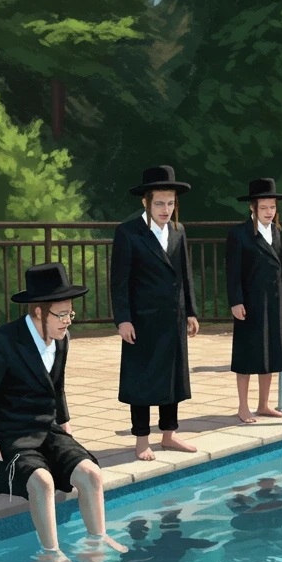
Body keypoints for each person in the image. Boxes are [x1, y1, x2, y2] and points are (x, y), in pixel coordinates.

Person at [0, 262, 127, 562]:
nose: (68, 321)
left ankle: (97, 538)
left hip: (48, 428)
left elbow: (58, 386)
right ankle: (51, 553)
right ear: (38, 312)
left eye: (71, 314)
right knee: (42, 481)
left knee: (91, 474)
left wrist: (64, 422)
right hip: (12, 435)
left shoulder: (61, 340)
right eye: (62, 314)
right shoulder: (0, 342)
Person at [110, 165, 199, 461]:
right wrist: (123, 318)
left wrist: (191, 312)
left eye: (171, 203)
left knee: (172, 377)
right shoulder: (128, 232)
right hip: (142, 319)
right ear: (145, 202)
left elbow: (185, 274)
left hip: (173, 317)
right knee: (142, 378)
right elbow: (119, 280)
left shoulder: (178, 230)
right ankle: (141, 439)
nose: (166, 209)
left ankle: (170, 434)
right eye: (159, 203)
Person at [226, 177, 282, 423]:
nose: (268, 212)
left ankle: (264, 404)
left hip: (274, 300)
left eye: (272, 207)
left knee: (272, 352)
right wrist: (236, 301)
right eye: (263, 207)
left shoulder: (277, 231)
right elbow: (232, 271)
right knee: (246, 354)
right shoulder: (239, 234)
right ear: (252, 207)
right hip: (250, 302)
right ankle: (243, 406)